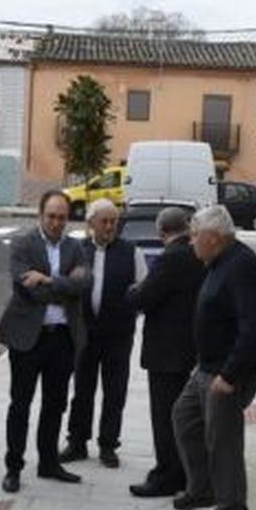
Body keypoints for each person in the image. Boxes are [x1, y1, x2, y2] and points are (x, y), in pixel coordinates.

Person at [171, 205, 256, 510]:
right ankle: (204, 488)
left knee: (223, 439)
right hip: (208, 367)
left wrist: (229, 375)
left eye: (194, 236)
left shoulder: (242, 266)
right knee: (185, 417)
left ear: (213, 238)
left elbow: (254, 328)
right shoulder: (219, 261)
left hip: (229, 372)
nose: (191, 242)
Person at [0, 190, 91, 493]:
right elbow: (27, 289)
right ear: (40, 215)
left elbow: (84, 285)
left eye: (62, 217)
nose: (56, 222)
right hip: (27, 337)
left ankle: (48, 462)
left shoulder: (75, 247)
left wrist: (47, 279)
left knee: (55, 404)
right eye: (51, 216)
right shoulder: (23, 243)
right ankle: (13, 468)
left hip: (62, 337)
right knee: (20, 404)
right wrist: (66, 285)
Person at [124, 206, 205, 498]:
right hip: (190, 348)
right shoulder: (197, 254)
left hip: (166, 352)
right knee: (185, 416)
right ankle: (184, 471)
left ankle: (167, 475)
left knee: (165, 417)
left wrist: (132, 290)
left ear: (161, 232)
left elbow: (143, 298)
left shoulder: (170, 258)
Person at [59, 199, 146, 469]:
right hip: (84, 334)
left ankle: (108, 444)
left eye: (113, 222)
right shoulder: (77, 250)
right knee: (82, 389)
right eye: (104, 221)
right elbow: (64, 286)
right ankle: (77, 442)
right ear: (91, 223)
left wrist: (129, 313)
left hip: (118, 335)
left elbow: (143, 288)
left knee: (114, 391)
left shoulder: (131, 251)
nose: (109, 227)